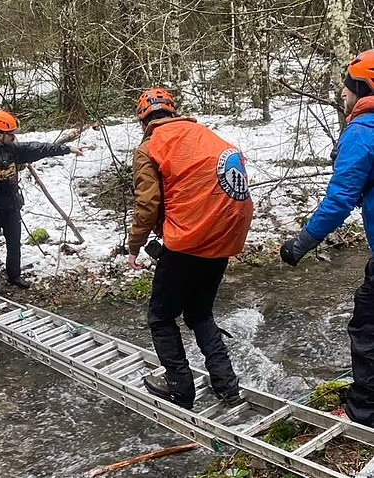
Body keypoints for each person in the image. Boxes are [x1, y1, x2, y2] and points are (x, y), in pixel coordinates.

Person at [128, 88, 254, 409]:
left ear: (144, 120)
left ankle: (179, 386)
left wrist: (135, 245)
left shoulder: (149, 147)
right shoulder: (204, 134)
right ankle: (227, 386)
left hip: (185, 241)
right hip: (222, 238)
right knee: (199, 312)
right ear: (174, 112)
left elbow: (147, 204)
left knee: (160, 316)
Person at [280, 50, 374, 428]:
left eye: (347, 89)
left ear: (364, 88)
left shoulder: (363, 132)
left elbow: (339, 201)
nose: (343, 96)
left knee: (367, 328)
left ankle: (363, 413)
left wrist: (300, 244)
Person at [0, 110, 85, 295]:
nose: (14, 137)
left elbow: (40, 149)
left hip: (12, 205)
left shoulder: (15, 149)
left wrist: (68, 149)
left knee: (14, 242)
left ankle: (14, 276)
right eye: (10, 134)